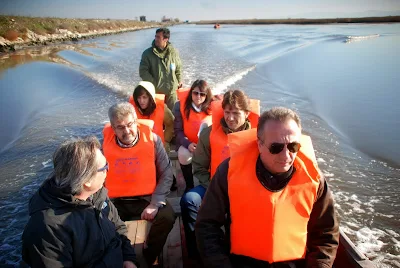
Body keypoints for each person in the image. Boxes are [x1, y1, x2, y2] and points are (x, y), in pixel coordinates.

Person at [196, 107, 339, 268]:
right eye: (276, 148)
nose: (286, 156)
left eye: (293, 147)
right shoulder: (229, 172)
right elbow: (207, 225)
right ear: (260, 144)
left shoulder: (314, 180)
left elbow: (326, 234)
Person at [22, 136, 138, 268]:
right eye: (105, 166)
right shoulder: (47, 230)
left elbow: (118, 228)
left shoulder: (97, 195)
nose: (108, 170)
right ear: (87, 181)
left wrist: (128, 259)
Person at [180, 89, 260, 260]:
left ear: (246, 114)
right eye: (227, 112)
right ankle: (197, 252)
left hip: (246, 192)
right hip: (214, 188)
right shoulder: (209, 134)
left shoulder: (258, 138)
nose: (230, 118)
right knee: (189, 201)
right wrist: (214, 189)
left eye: (236, 113)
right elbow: (199, 166)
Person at [102, 102, 176, 266]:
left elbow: (166, 173)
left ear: (136, 122)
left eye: (129, 125)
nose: (126, 131)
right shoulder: (103, 146)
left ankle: (149, 255)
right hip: (115, 202)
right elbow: (95, 177)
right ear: (113, 128)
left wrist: (155, 203)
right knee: (95, 222)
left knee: (168, 216)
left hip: (146, 198)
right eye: (120, 127)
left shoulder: (153, 140)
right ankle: (120, 257)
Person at [173, 79, 213, 192]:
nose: (198, 96)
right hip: (189, 143)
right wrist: (187, 143)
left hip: (206, 145)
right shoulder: (180, 106)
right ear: (191, 93)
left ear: (207, 95)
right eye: (195, 93)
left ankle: (206, 184)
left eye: (202, 94)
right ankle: (189, 184)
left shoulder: (213, 107)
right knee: (182, 154)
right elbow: (178, 131)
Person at [139, 27, 182, 111]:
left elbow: (178, 68)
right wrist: (154, 84)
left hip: (172, 92)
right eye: (155, 36)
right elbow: (143, 72)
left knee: (172, 117)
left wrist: (179, 80)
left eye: (158, 37)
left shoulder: (174, 52)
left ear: (166, 39)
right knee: (158, 117)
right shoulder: (147, 54)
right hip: (156, 93)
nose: (155, 39)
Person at [129, 81, 175, 152]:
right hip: (138, 145)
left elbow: (171, 124)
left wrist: (166, 139)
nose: (141, 101)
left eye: (144, 97)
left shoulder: (162, 109)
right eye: (139, 98)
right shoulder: (130, 109)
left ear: (150, 97)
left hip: (158, 145)